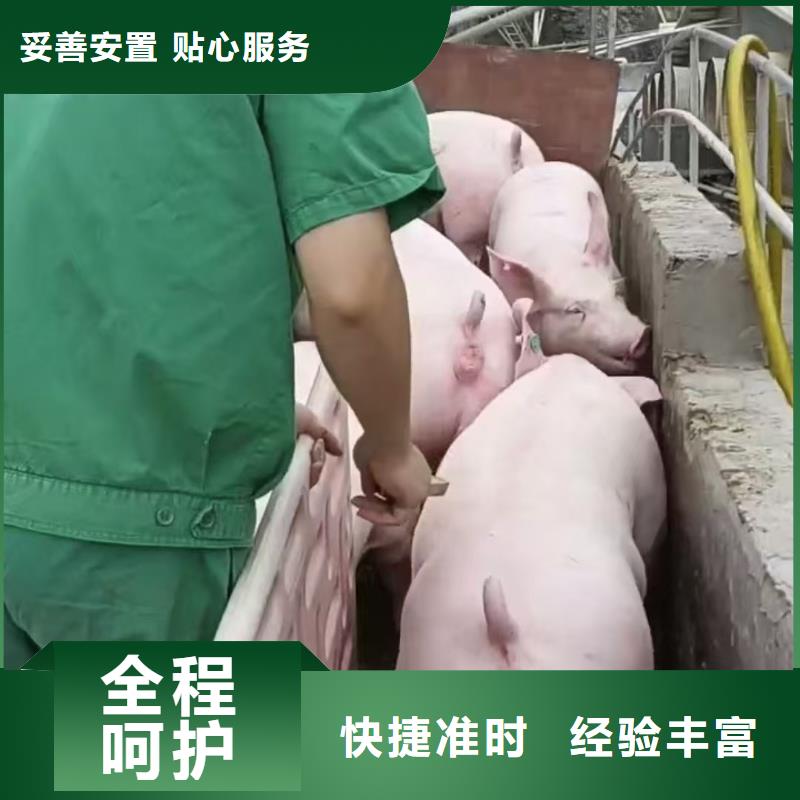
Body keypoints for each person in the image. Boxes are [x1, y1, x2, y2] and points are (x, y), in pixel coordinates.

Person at [3, 89, 445, 669]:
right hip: (136, 536)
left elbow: (72, 229)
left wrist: (243, 401)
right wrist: (389, 446)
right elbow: (351, 293)